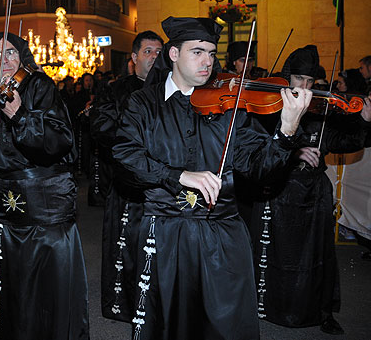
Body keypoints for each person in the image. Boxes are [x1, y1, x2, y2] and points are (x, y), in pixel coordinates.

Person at [111, 17, 312, 340]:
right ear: (174, 54)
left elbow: (259, 169)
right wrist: (177, 175)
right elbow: (125, 158)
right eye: (198, 52)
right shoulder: (143, 103)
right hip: (164, 231)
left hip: (222, 233)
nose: (208, 61)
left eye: (211, 52)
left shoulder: (231, 106)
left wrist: (286, 130)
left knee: (223, 325)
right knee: (166, 324)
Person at [0, 32, 89, 340]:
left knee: (51, 294)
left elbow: (61, 143)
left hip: (46, 212)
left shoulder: (40, 87)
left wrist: (20, 115)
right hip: (6, 217)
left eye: (12, 53)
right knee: (15, 296)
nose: (6, 61)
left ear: (23, 58)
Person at [250, 45, 371, 335]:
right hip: (279, 192)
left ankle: (322, 311)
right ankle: (267, 305)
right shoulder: (269, 108)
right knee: (277, 254)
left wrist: (366, 122)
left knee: (319, 254)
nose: (304, 87)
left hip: (314, 192)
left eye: (310, 81)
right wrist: (295, 151)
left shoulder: (321, 108)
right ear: (287, 78)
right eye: (299, 79)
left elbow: (346, 141)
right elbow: (256, 149)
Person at [91, 31, 163, 322]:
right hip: (128, 184)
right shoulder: (116, 89)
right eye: (148, 51)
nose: (154, 57)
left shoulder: (173, 88)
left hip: (164, 184)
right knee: (128, 248)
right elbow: (101, 127)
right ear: (134, 59)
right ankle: (126, 305)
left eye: (159, 51)